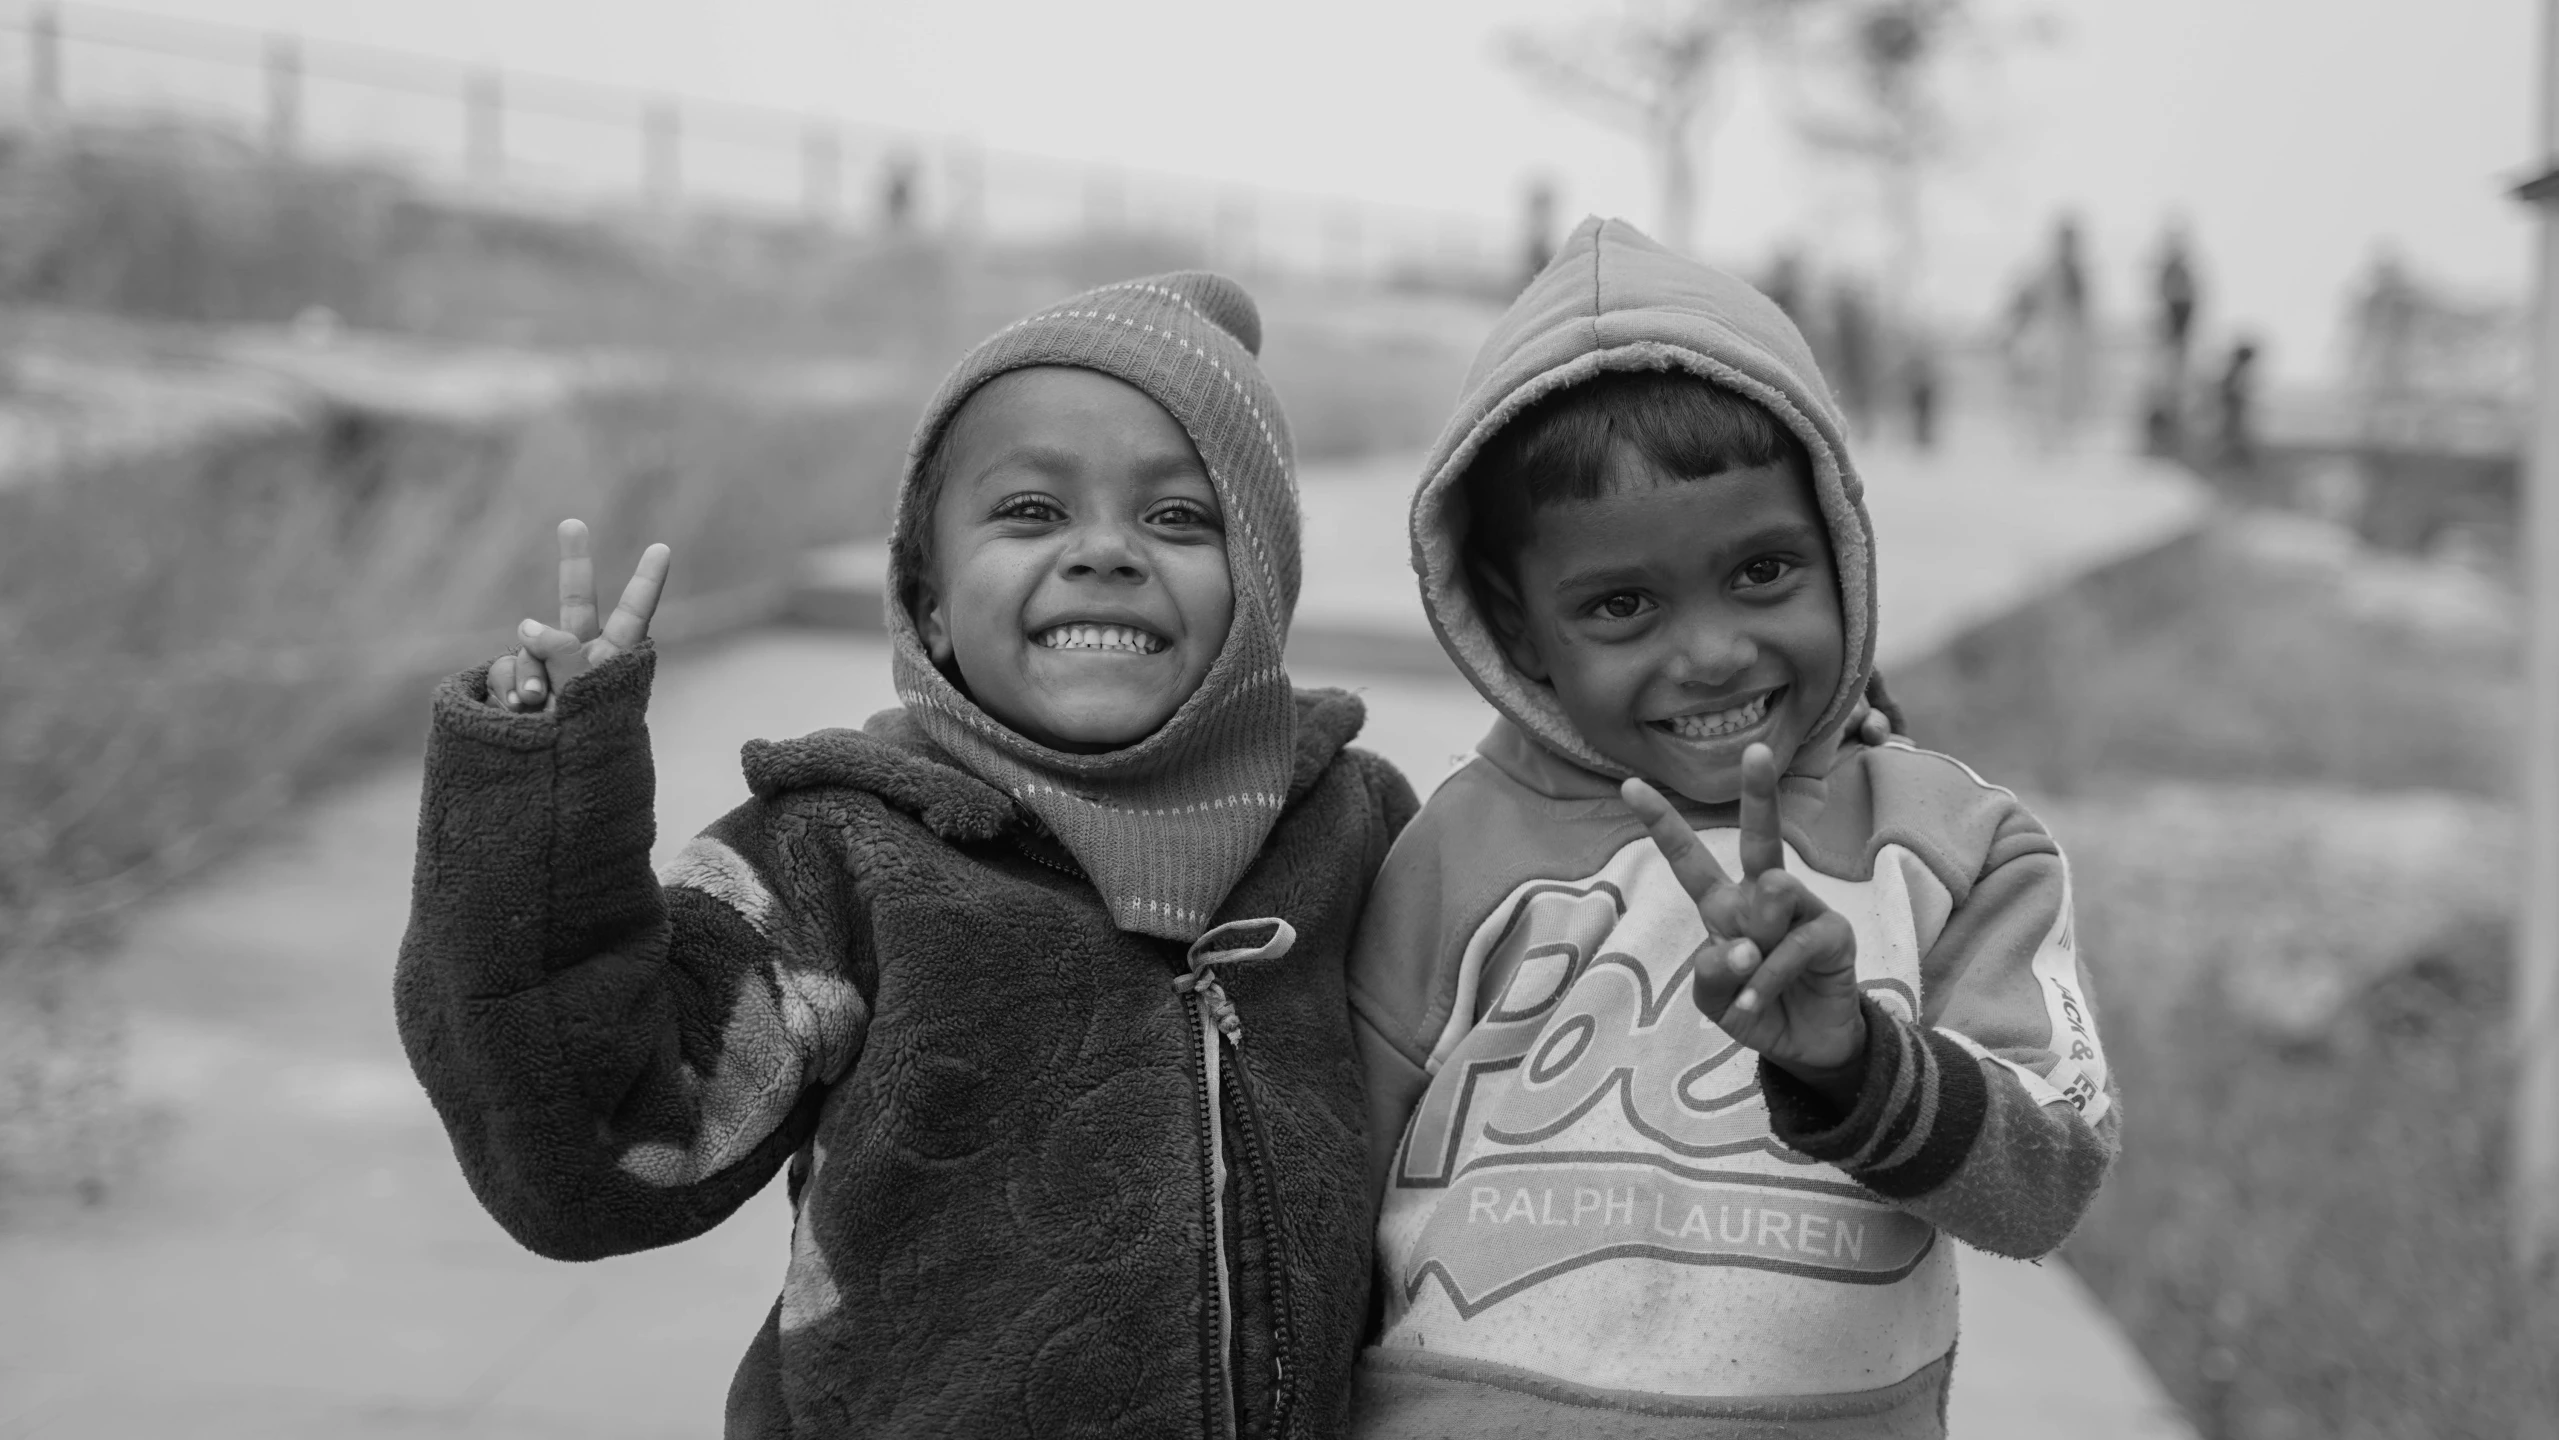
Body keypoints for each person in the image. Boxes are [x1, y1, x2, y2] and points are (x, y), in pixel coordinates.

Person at [393, 271, 1423, 1438]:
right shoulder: (835, 857)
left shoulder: (1355, 827)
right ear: (927, 603)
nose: (1104, 550)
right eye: (1031, 511)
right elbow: (591, 1158)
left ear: (1266, 589)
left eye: (1179, 516)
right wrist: (546, 798)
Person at [1344, 217, 2119, 1438]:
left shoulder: (1959, 850)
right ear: (1514, 619)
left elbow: (2049, 1182)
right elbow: (1327, 1200)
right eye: (1620, 604)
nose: (1710, 653)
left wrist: (1857, 1063)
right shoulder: (1449, 855)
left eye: (1763, 572)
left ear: (1842, 544)